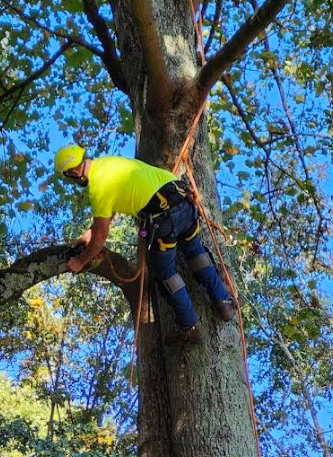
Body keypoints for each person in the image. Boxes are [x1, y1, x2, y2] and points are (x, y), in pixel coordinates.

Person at [54, 144, 235, 345]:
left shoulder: (97, 187)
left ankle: (190, 327)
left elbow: (100, 239)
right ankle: (224, 302)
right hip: (182, 201)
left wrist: (80, 261)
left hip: (163, 220)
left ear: (72, 172)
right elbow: (112, 205)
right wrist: (90, 232)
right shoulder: (109, 162)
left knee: (166, 275)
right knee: (196, 253)